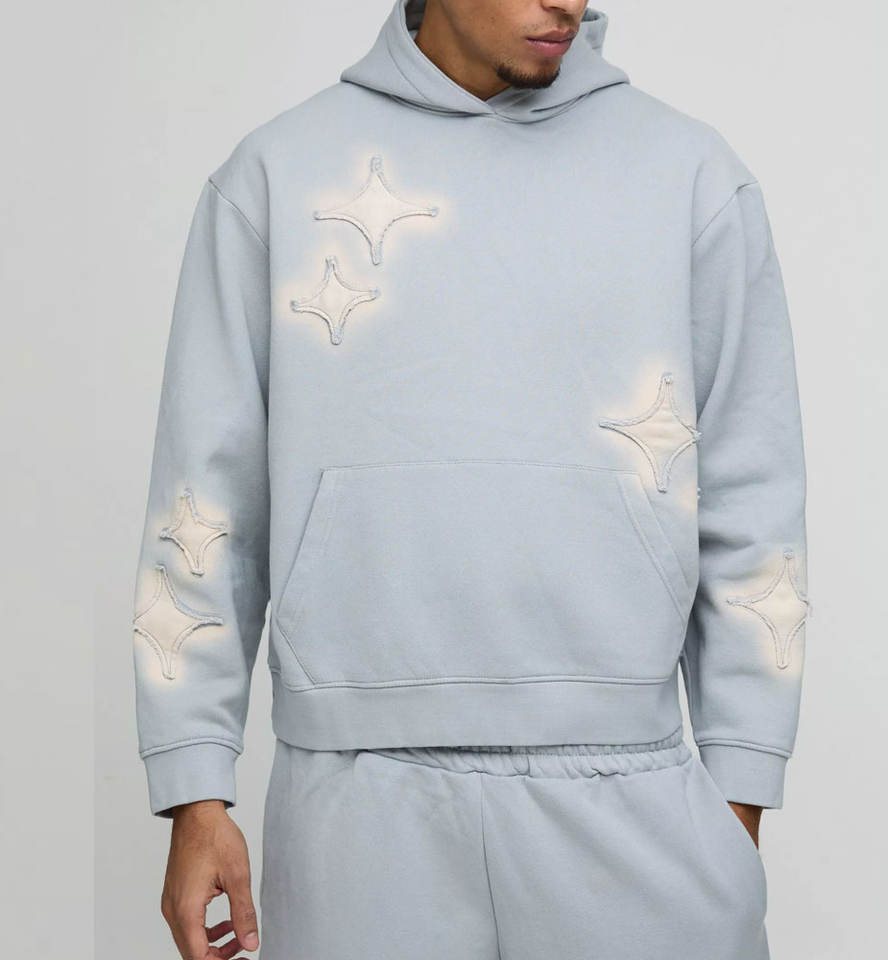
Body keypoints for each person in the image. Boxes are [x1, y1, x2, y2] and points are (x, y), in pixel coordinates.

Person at [131, 1, 809, 957]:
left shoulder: (692, 176)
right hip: (356, 800)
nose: (566, 2)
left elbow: (755, 497)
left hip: (631, 783)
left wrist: (739, 791)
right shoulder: (277, 175)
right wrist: (194, 789)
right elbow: (204, 500)